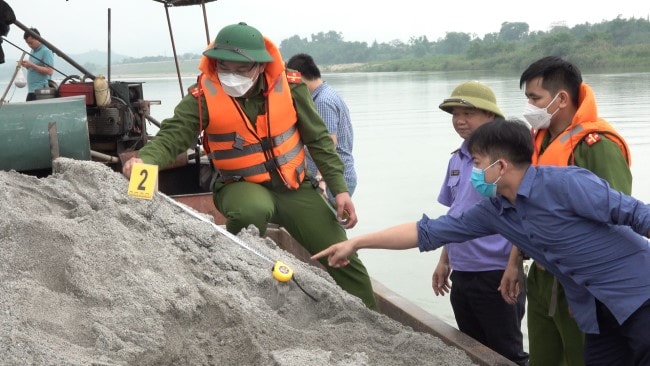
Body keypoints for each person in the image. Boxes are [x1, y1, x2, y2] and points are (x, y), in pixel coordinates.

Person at [312, 118, 650, 365]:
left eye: (477, 163)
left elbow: (638, 215)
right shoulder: (495, 211)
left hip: (640, 294)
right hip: (596, 315)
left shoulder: (565, 184)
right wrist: (356, 243)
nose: (473, 171)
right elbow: (426, 231)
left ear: (500, 166)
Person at [121, 22, 377, 310]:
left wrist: (340, 189)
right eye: (224, 67)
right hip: (239, 185)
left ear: (259, 65)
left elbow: (318, 139)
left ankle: (374, 316)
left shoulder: (291, 86)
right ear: (214, 63)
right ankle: (232, 284)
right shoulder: (203, 96)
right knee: (251, 210)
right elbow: (173, 134)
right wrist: (147, 159)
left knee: (340, 250)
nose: (233, 75)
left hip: (294, 186)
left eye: (242, 69)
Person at [506, 56, 632, 366]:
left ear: (561, 98)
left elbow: (618, 220)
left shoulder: (595, 146)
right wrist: (513, 261)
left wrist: (593, 289)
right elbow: (526, 212)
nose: (529, 108)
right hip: (542, 276)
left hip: (581, 281)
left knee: (584, 358)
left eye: (535, 98)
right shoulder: (539, 142)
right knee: (543, 358)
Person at [433, 81, 528, 365]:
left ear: (491, 116)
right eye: (455, 114)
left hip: (497, 272)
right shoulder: (458, 159)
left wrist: (514, 265)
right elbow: (454, 213)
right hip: (462, 271)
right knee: (473, 349)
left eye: (469, 113)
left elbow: (523, 215)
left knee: (507, 352)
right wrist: (444, 260)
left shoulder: (506, 161)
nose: (460, 121)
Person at [285, 53, 357, 200]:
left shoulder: (322, 102)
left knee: (328, 222)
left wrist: (321, 181)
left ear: (299, 78)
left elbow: (329, 143)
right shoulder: (327, 93)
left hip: (332, 181)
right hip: (335, 178)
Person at [21, 27, 54, 101]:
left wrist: (32, 65)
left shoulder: (46, 51)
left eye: (31, 42)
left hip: (41, 92)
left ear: (37, 38)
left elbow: (50, 71)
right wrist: (27, 66)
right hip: (31, 90)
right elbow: (34, 68)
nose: (29, 45)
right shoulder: (32, 51)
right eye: (27, 43)